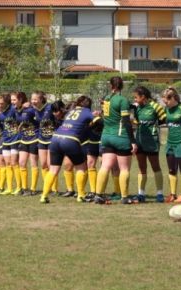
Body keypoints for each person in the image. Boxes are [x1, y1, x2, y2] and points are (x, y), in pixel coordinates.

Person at [40, 96, 95, 203]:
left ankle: (44, 196)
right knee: (81, 168)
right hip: (70, 139)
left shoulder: (72, 111)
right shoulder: (87, 111)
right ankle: (81, 195)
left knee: (53, 170)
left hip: (56, 138)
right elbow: (96, 120)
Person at [93, 76, 138, 205]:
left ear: (110, 86)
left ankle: (98, 195)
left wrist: (131, 106)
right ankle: (124, 197)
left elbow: (109, 111)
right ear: (122, 86)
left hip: (106, 137)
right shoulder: (122, 100)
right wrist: (133, 141)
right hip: (120, 137)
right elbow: (126, 122)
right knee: (124, 168)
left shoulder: (107, 99)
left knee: (105, 166)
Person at [132, 86, 166, 203]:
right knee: (142, 168)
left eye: (136, 97)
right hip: (140, 141)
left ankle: (160, 193)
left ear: (143, 97)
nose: (135, 100)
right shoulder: (136, 108)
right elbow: (136, 122)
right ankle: (141, 193)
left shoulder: (155, 106)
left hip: (152, 141)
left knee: (155, 167)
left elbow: (164, 119)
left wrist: (154, 128)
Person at [162, 87, 181, 203]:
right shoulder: (167, 109)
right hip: (170, 142)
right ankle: (173, 194)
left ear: (173, 98)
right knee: (171, 170)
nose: (166, 104)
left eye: (167, 101)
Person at [15, 91, 39, 196]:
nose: (12, 102)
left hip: (34, 138)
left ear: (20, 100)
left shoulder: (30, 109)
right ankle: (24, 188)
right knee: (21, 162)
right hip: (24, 139)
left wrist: (31, 105)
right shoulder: (15, 110)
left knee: (33, 162)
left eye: (14, 100)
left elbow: (39, 113)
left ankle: (33, 188)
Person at [32, 91, 53, 193]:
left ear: (41, 99)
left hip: (52, 139)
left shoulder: (50, 107)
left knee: (50, 165)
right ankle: (47, 187)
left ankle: (54, 188)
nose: (33, 101)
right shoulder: (33, 109)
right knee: (43, 164)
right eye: (32, 99)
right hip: (41, 139)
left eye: (35, 99)